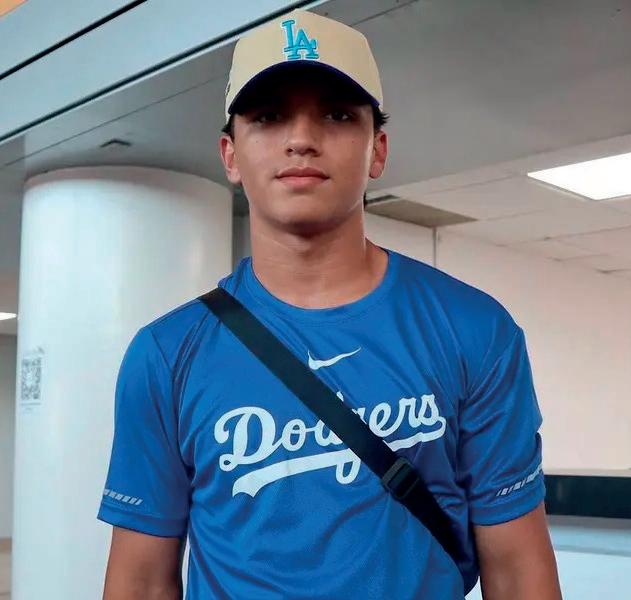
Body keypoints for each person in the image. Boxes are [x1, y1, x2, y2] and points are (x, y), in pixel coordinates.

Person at [98, 8, 562, 600]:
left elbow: (519, 571)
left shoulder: (475, 330)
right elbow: (139, 582)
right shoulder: (166, 355)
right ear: (230, 155)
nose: (301, 139)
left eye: (337, 115)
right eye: (268, 116)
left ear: (377, 151)